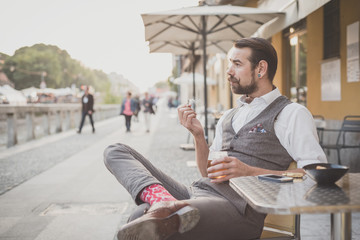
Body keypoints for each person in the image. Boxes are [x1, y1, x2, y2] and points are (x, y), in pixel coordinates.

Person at [104, 37, 327, 240]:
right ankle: (164, 201)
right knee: (115, 151)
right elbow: (207, 172)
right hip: (199, 195)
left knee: (144, 217)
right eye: (229, 63)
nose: (228, 71)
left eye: (237, 64)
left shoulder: (291, 114)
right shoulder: (229, 116)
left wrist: (250, 172)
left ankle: (169, 208)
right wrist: (198, 136)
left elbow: (316, 177)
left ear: (261, 68)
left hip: (240, 210)